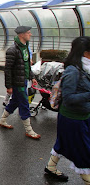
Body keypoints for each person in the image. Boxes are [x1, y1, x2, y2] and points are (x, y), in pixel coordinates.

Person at [44, 36, 90, 183]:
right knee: (84, 151)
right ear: (85, 52)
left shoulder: (85, 68)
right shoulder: (73, 71)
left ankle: (51, 167)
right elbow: (69, 99)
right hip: (73, 117)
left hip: (82, 115)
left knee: (63, 142)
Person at [0, 26, 40, 139]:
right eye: (28, 33)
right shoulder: (12, 50)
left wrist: (32, 77)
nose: (30, 34)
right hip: (17, 83)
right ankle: (29, 130)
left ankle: (2, 120)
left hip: (23, 81)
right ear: (21, 35)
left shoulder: (25, 48)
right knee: (24, 104)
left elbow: (26, 65)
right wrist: (8, 86)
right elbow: (8, 69)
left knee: (15, 102)